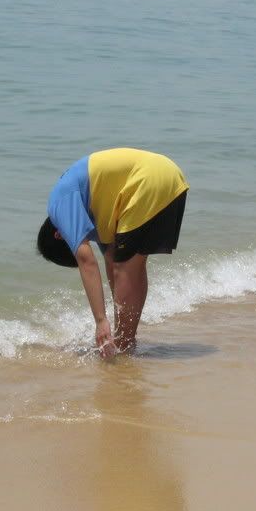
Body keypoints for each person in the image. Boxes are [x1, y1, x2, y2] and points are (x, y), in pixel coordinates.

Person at [37, 148, 189, 359]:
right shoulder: (94, 210)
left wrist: (101, 322)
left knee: (125, 268)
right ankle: (125, 342)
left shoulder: (59, 206)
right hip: (169, 177)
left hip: (148, 181)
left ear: (59, 235)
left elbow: (87, 261)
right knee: (130, 266)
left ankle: (125, 346)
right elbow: (111, 261)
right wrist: (113, 318)